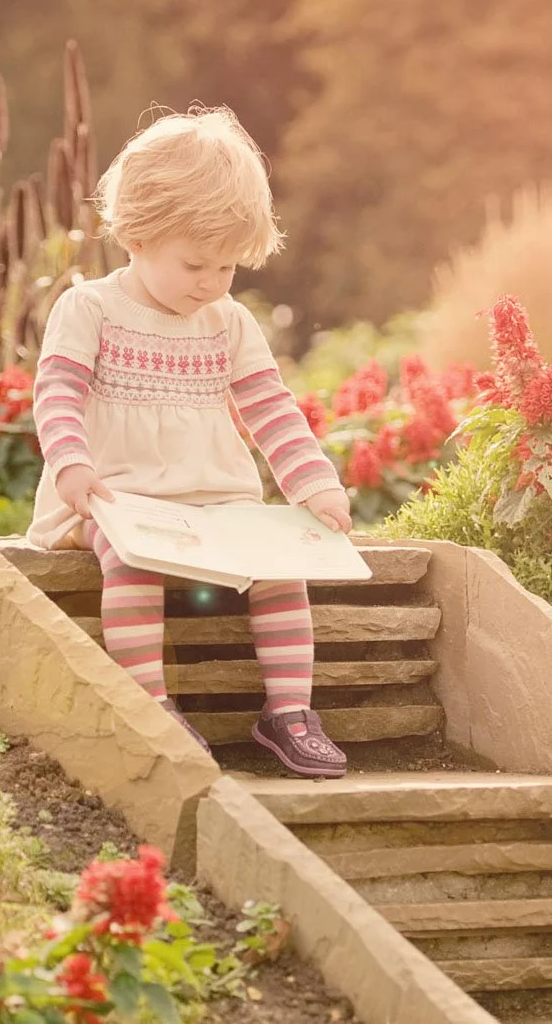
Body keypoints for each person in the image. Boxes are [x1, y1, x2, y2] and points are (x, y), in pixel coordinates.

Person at [25, 106, 350, 779]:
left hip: (214, 503)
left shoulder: (227, 323)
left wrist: (314, 485)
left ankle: (288, 709)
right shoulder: (90, 309)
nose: (211, 283)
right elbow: (55, 395)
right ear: (137, 236)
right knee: (133, 560)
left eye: (228, 268)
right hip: (116, 498)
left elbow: (272, 410)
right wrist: (72, 465)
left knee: (280, 564)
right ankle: (152, 704)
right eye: (196, 263)